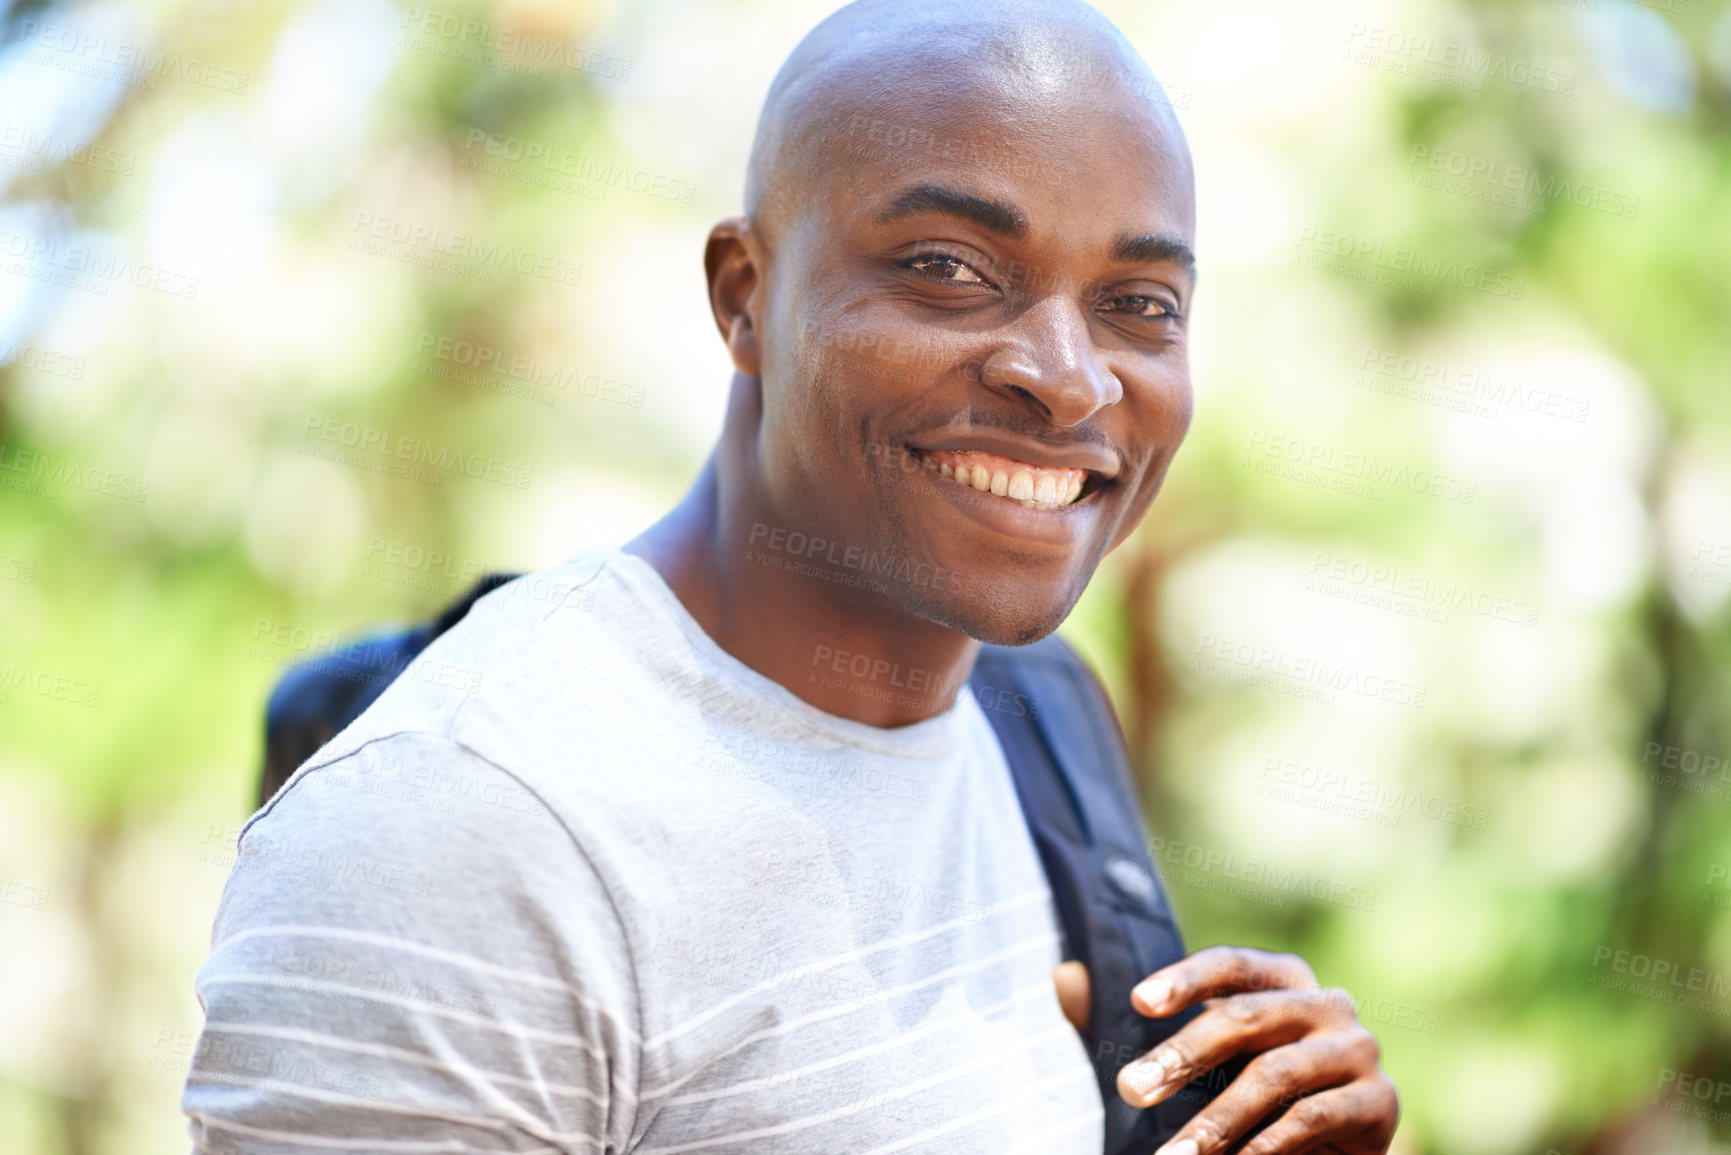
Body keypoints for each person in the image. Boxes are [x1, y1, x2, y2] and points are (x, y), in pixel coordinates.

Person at [182, 1, 1399, 1152]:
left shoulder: (1041, 708)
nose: (1069, 379)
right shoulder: (468, 822)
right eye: (948, 267)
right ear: (744, 296)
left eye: (1140, 302)